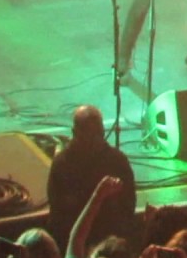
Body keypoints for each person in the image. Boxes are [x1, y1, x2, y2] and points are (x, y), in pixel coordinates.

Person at [46, 106, 137, 250]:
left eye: (97, 134)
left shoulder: (116, 161)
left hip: (103, 242)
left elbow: (128, 206)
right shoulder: (62, 164)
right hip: (80, 242)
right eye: (90, 135)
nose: (94, 140)